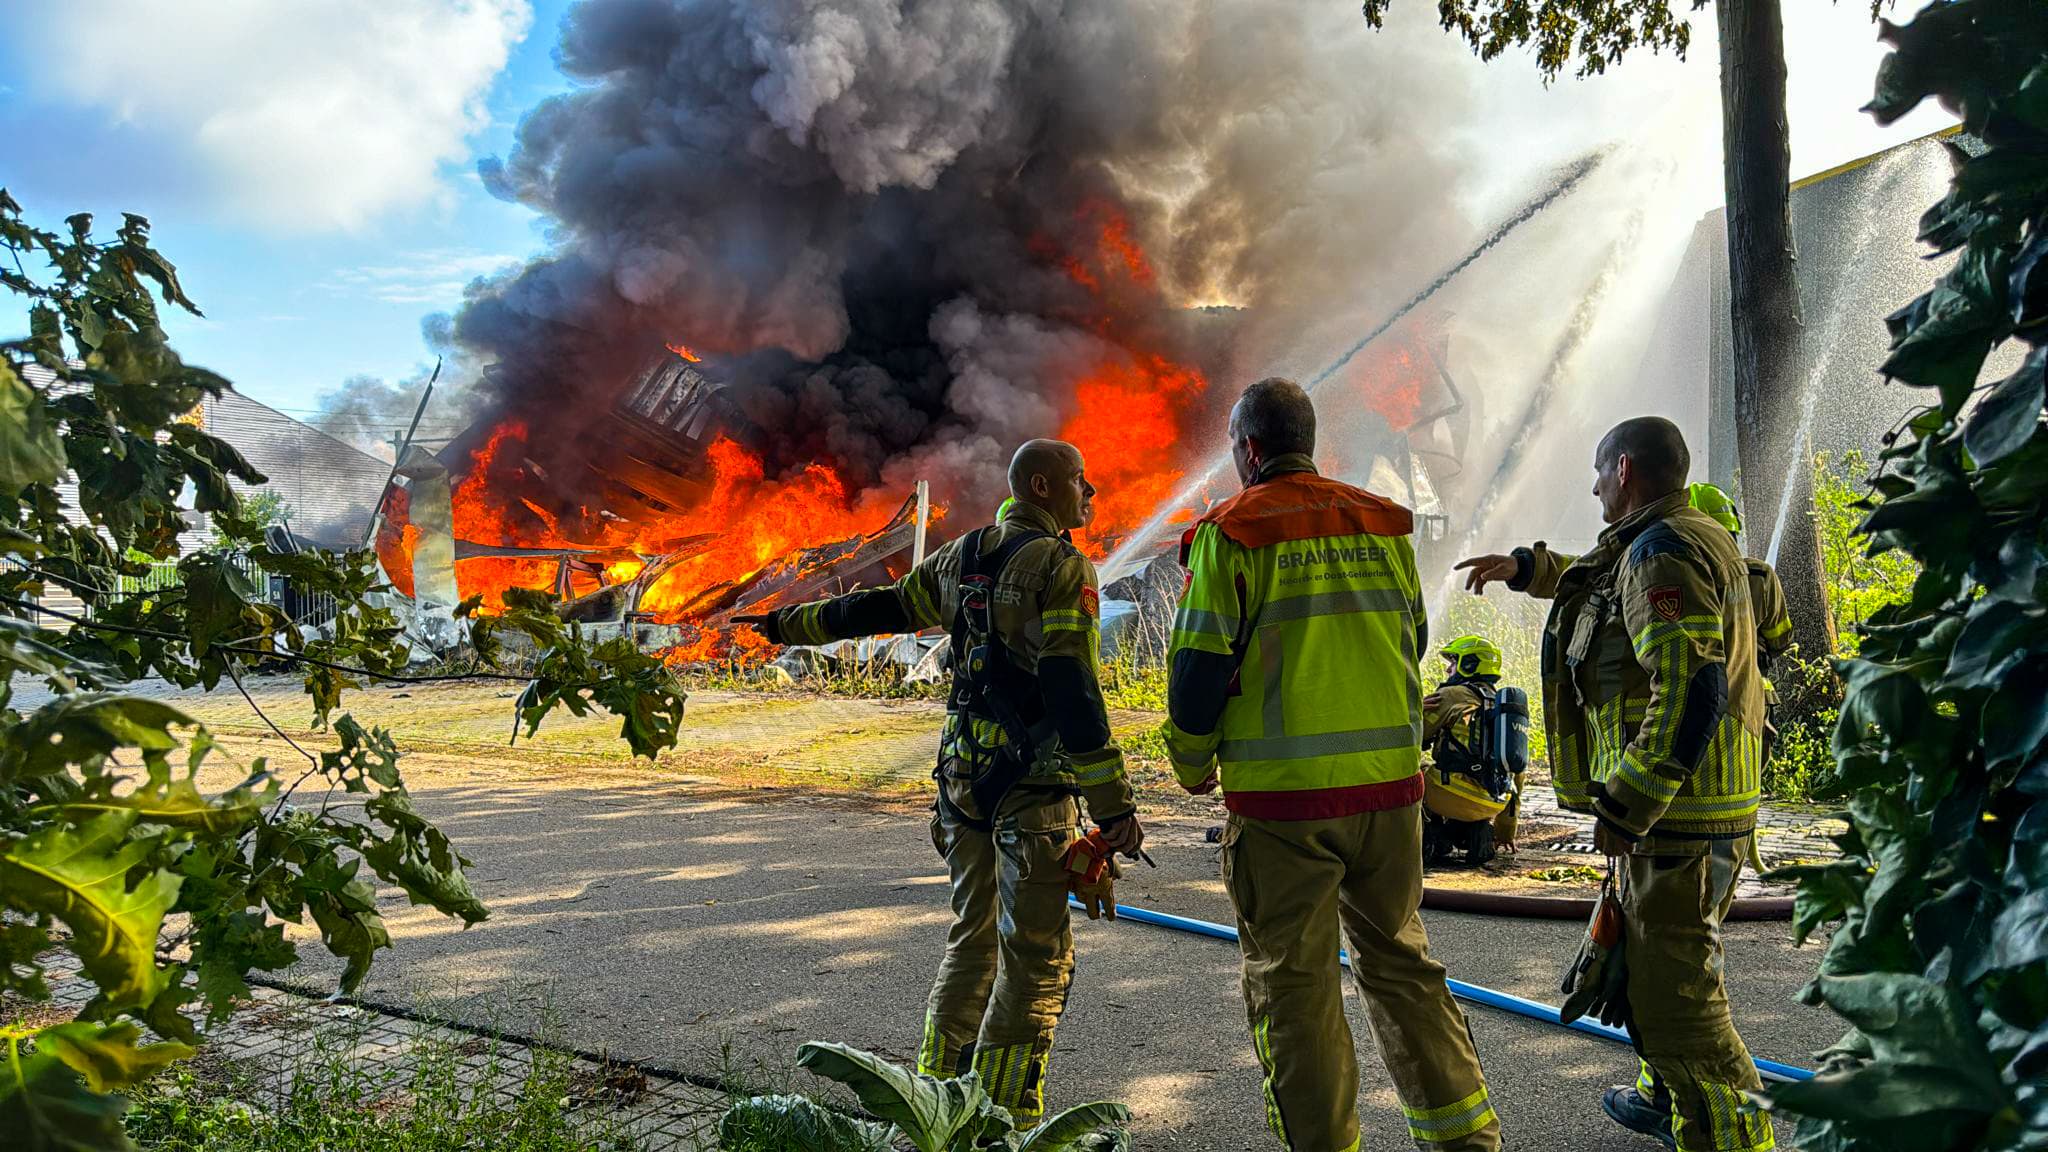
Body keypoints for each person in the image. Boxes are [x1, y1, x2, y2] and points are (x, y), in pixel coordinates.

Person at [736, 439, 1141, 1123]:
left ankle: (934, 1101)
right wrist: (1114, 805)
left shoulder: (963, 554)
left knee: (972, 936)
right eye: (1080, 480)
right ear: (1042, 486)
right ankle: (1000, 1121)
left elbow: (878, 609)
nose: (1090, 492)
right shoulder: (1062, 565)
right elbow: (1071, 688)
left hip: (960, 780)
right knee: (1035, 958)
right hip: (1032, 790)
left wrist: (786, 624)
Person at [1166, 378, 1499, 1152]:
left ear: (1249, 448)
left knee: (1296, 988)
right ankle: (1466, 1143)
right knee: (1402, 965)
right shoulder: (1381, 523)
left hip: (1285, 811)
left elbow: (1197, 673)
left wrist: (1190, 764)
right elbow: (1411, 639)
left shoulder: (1233, 531)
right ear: (1306, 443)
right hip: (1388, 798)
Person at [1457, 418, 1773, 1152]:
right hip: (1693, 812)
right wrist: (1527, 568)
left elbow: (1690, 685)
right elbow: (1605, 587)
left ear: (1624, 468)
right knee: (1658, 981)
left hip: (1678, 819)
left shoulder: (1661, 552)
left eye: (1599, 474)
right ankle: (1674, 1107)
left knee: (1682, 1008)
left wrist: (1628, 804)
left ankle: (1737, 1138)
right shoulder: (1674, 537)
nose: (1594, 487)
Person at [1688, 482, 1794, 763]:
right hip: (1749, 705)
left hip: (1690, 707)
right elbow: (1780, 640)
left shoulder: (1679, 577)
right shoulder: (1759, 576)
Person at [1421, 635, 1524, 861]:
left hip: (1451, 795)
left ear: (1469, 665)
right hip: (1493, 803)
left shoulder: (1450, 695)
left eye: (1453, 661)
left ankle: (1428, 835)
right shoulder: (1502, 708)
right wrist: (1506, 830)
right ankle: (1477, 830)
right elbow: (1517, 770)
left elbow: (1412, 737)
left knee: (1418, 769)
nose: (1449, 669)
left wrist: (1416, 711)